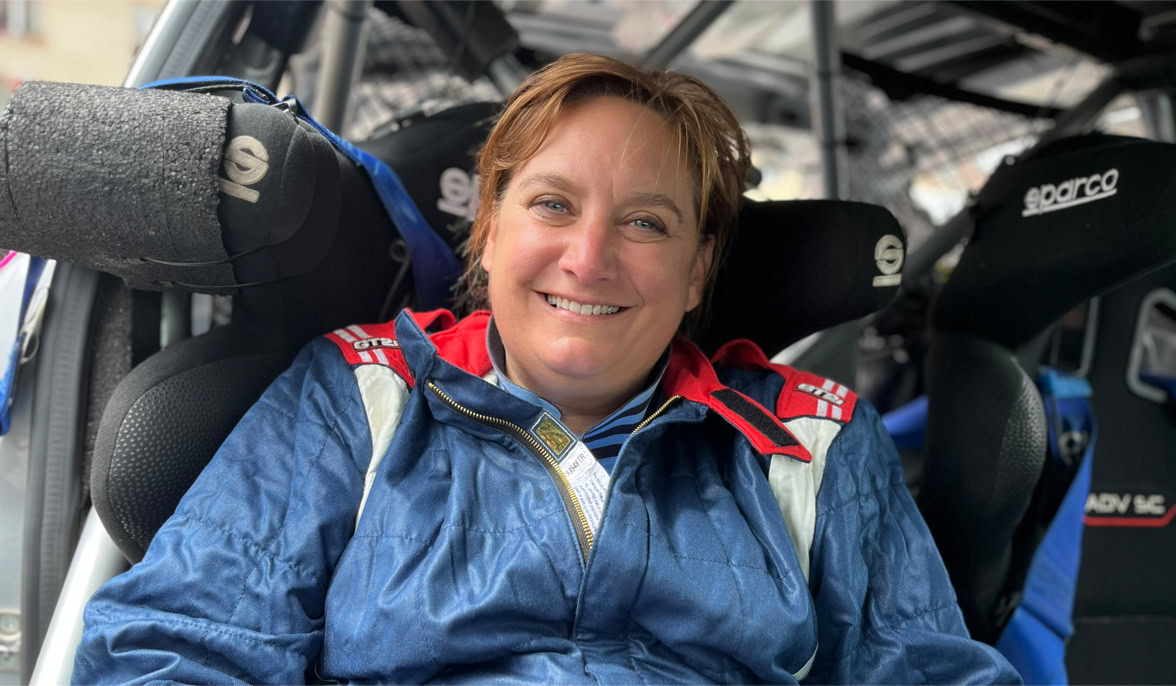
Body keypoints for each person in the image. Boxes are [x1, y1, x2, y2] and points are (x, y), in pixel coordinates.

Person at [74, 53, 1019, 684]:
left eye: (646, 222)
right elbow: (179, 647)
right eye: (554, 205)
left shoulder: (815, 440)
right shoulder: (358, 394)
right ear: (490, 231)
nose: (590, 257)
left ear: (698, 271)